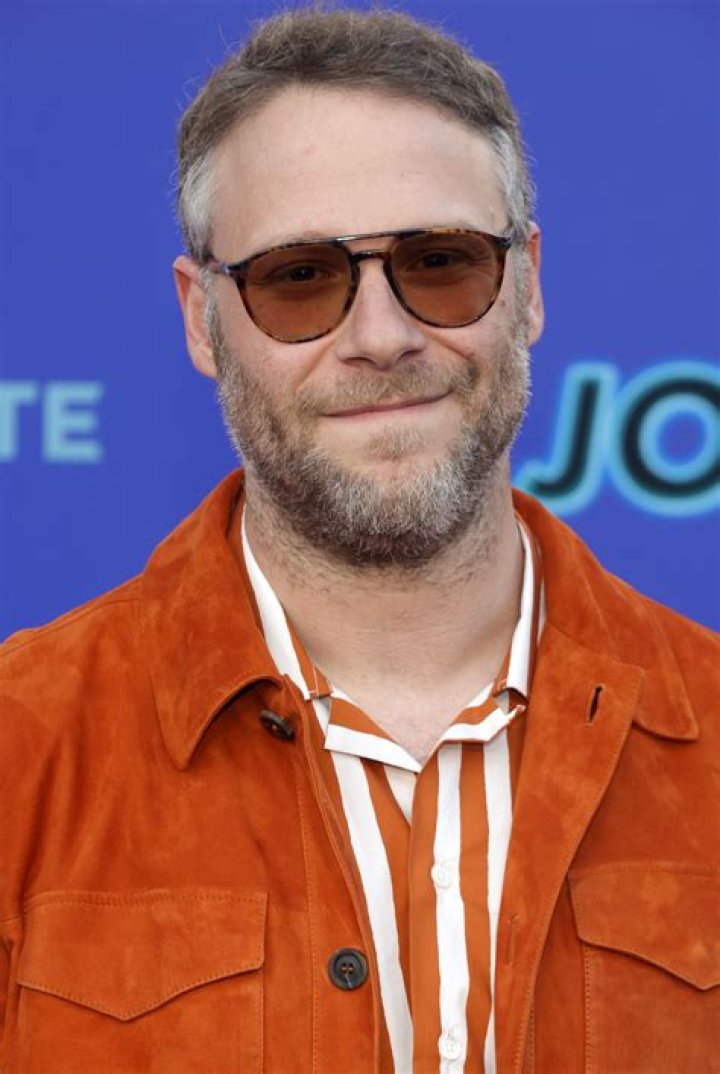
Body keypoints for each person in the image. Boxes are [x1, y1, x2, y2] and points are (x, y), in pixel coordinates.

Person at [1, 7, 717, 1073]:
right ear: (202, 320)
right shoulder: (21, 751)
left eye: (440, 262)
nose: (381, 338)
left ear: (528, 286)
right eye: (299, 277)